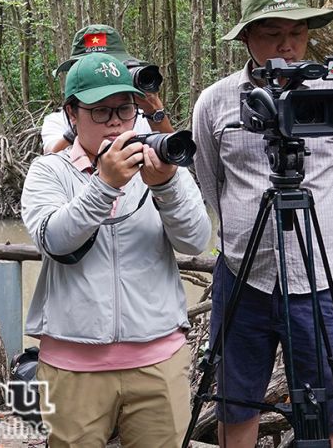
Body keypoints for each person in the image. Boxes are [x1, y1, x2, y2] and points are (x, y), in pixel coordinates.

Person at [192, 0, 333, 448]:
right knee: (236, 400)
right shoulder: (215, 101)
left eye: (297, 32)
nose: (287, 46)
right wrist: (243, 231)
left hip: (318, 275)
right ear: (247, 39)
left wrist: (325, 234)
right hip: (242, 274)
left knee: (329, 409)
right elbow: (210, 183)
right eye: (272, 33)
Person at [21, 51, 210, 447]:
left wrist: (166, 185)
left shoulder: (159, 164)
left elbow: (195, 240)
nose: (115, 124)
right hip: (72, 367)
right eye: (100, 112)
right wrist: (104, 183)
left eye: (124, 111)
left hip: (159, 360)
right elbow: (54, 240)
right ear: (72, 114)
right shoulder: (48, 170)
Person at [42, 25, 172, 154]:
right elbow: (52, 156)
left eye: (114, 67)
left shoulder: (137, 117)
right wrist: (81, 122)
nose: (106, 75)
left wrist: (154, 111)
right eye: (92, 69)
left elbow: (174, 160)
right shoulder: (57, 121)